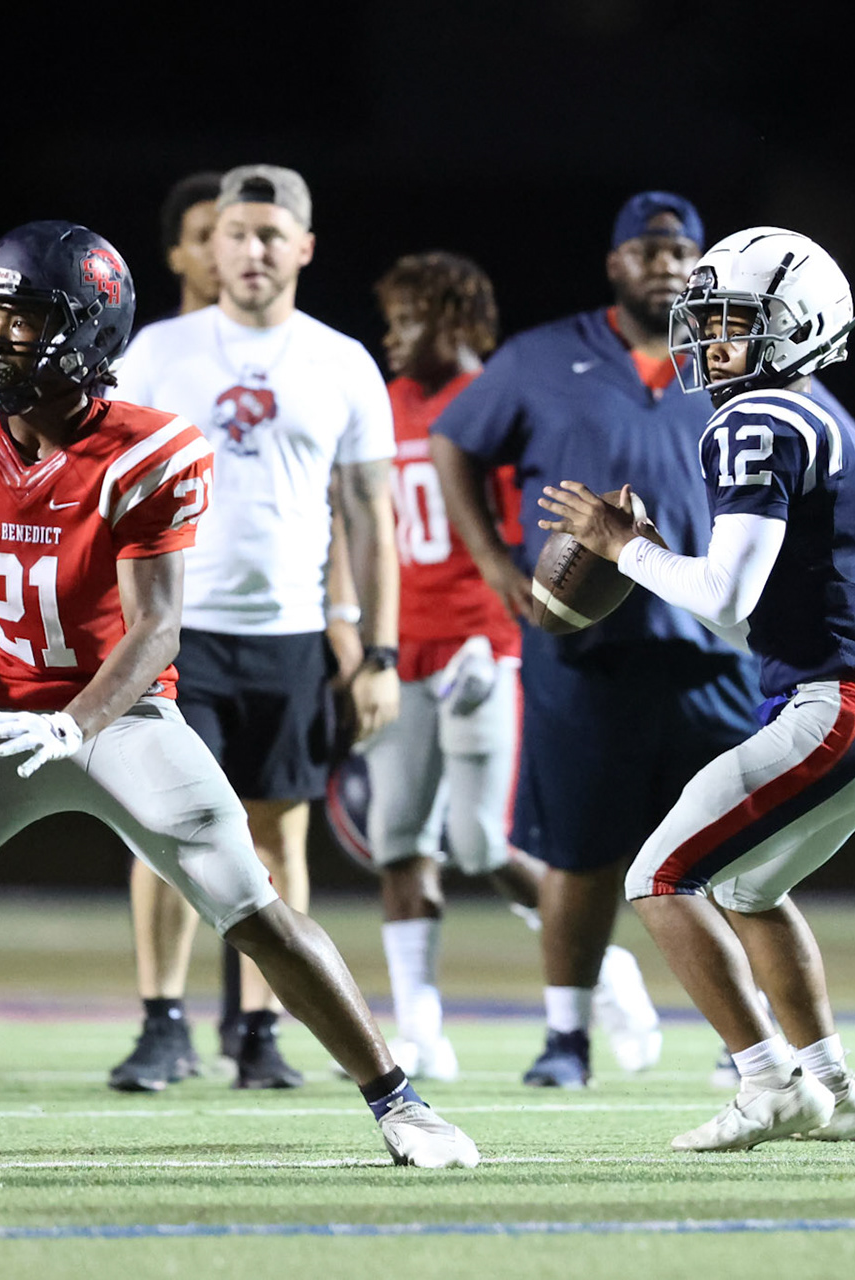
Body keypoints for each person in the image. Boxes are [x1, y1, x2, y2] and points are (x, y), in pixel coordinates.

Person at [0, 222, 475, 1171]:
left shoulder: (146, 451)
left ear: (88, 332)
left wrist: (75, 723)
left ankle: (401, 1104)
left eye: (22, 317)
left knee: (249, 902)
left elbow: (157, 628)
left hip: (122, 719)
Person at [538, 227, 855, 1150]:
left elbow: (727, 597)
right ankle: (835, 1090)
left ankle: (769, 1082)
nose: (710, 338)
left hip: (837, 705)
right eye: (708, 319)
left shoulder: (757, 420)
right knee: (747, 890)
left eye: (735, 320)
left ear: (799, 327)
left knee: (659, 877)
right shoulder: (844, 434)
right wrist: (651, 561)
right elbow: (749, 622)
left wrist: (625, 550)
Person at [430, 193, 758, 1088]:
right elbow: (454, 441)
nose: (666, 263)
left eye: (682, 251)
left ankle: (747, 1040)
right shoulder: (542, 356)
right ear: (615, 263)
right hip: (583, 649)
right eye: (647, 249)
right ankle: (566, 1037)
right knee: (579, 851)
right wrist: (493, 563)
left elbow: (820, 444)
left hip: (712, 646)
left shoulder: (738, 357)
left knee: (734, 852)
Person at [323, 251, 660, 1079]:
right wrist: (354, 631)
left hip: (482, 642)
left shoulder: (501, 401)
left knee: (481, 843)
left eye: (409, 320)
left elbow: (540, 542)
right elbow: (351, 523)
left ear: (453, 321)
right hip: (401, 644)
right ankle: (420, 1031)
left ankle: (605, 969)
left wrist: (508, 634)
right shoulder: (381, 404)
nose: (392, 338)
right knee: (398, 840)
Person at [106, 165, 402, 1091]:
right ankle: (162, 1025)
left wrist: (377, 649)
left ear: (304, 247)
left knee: (275, 840)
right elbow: (98, 491)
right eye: (235, 233)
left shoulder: (342, 362)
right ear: (213, 243)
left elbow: (371, 516)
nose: (251, 251)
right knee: (165, 831)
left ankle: (262, 1029)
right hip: (173, 632)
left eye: (271, 235)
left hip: (288, 634)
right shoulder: (156, 353)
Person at [158, 171, 223, 319]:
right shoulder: (151, 334)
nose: (218, 249)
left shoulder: (273, 331)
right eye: (203, 238)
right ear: (175, 257)